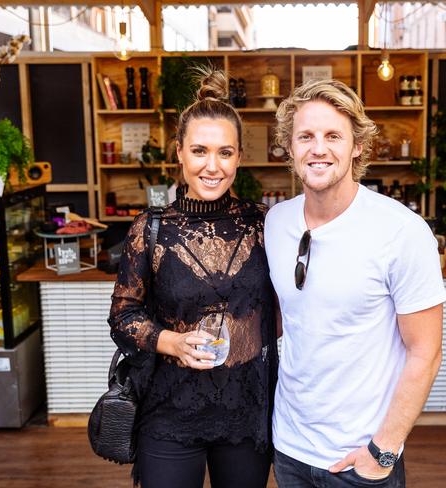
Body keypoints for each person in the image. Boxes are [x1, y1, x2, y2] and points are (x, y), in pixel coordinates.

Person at [264, 79, 446, 487]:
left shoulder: (401, 231)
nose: (318, 148)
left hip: (360, 460)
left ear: (357, 146)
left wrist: (383, 450)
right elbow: (284, 319)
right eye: (305, 136)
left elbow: (426, 352)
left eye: (334, 136)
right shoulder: (275, 223)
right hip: (289, 448)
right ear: (289, 147)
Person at [107, 69, 277, 488]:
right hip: (170, 409)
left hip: (246, 411)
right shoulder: (152, 229)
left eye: (225, 152)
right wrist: (172, 342)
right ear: (179, 153)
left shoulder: (266, 225)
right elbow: (122, 316)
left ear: (239, 157)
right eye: (200, 151)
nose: (212, 166)